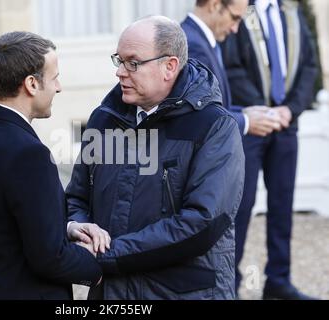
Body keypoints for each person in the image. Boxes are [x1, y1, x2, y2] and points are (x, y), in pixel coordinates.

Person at [65, 16, 245, 300]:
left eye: (133, 63)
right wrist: (79, 231)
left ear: (169, 66)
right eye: (119, 60)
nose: (120, 73)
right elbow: (76, 198)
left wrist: (107, 255)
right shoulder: (104, 120)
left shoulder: (214, 127)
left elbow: (202, 223)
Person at [0, 31, 104, 300]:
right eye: (54, 78)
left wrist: (65, 228)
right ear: (31, 84)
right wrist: (96, 268)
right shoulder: (29, 154)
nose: (59, 87)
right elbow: (50, 258)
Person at [222, 0, 319, 299]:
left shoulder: (291, 11)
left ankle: (278, 280)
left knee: (282, 207)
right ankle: (229, 286)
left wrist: (290, 109)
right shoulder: (239, 10)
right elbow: (231, 66)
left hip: (287, 126)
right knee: (242, 206)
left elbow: (309, 65)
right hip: (252, 125)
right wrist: (265, 110)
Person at [182, 0, 282, 137]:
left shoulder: (203, 42)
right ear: (215, 5)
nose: (235, 29)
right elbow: (199, 115)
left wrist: (244, 112)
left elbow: (216, 106)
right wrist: (246, 121)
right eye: (235, 18)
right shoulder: (193, 45)